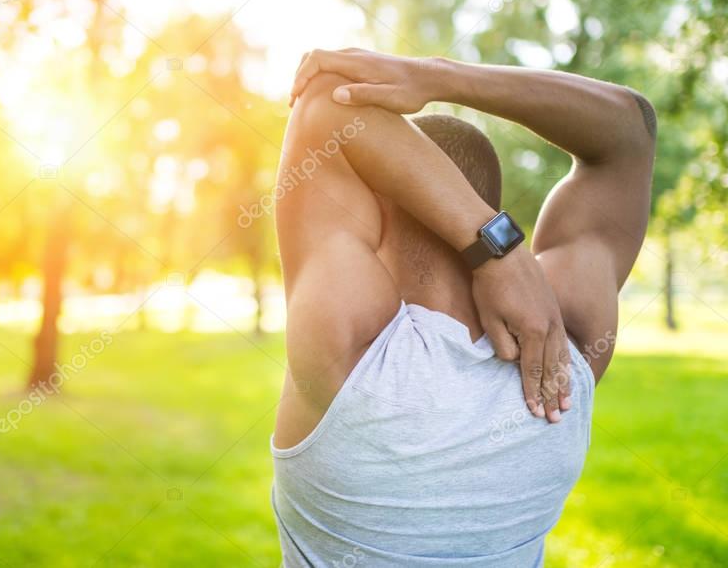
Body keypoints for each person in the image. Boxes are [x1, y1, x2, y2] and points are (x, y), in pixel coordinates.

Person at [271, 50, 656, 567]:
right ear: (488, 197)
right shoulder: (565, 348)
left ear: (380, 209)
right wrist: (441, 76)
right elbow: (632, 132)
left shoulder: (349, 359)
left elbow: (325, 101)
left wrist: (495, 247)